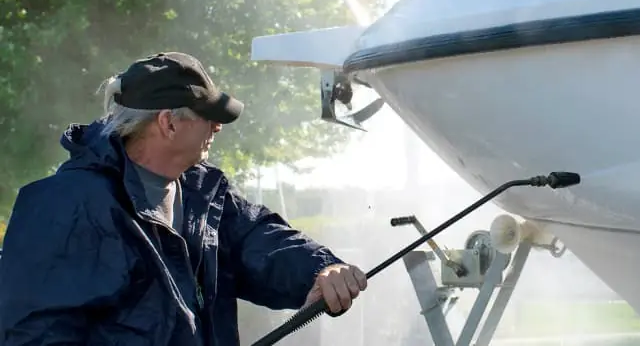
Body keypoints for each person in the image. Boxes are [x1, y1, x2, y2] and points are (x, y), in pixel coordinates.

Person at [0, 52, 367, 345]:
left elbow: (261, 240)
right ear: (168, 123)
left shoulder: (203, 193)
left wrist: (320, 269)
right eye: (208, 116)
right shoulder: (63, 206)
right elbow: (32, 334)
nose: (218, 127)